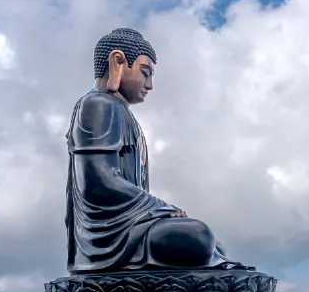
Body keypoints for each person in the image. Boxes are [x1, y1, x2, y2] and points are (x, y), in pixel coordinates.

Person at [64, 28, 247, 273]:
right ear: (118, 62)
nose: (149, 85)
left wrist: (159, 215)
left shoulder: (120, 111)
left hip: (131, 226)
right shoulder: (97, 105)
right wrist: (163, 209)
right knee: (197, 235)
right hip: (108, 238)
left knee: (213, 245)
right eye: (144, 73)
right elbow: (99, 182)